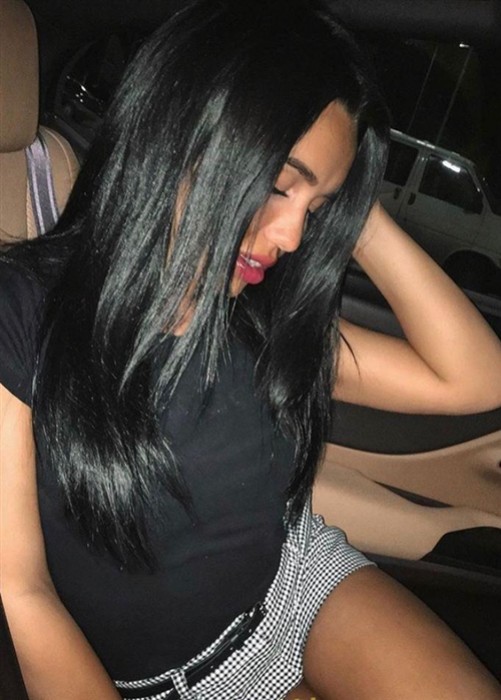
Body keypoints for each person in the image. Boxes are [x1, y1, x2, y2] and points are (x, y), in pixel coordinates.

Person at [1, 1, 501, 698]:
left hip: (301, 585)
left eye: (313, 211)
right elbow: (22, 590)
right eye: (274, 185)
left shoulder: (260, 313)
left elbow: (474, 380)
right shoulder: (22, 311)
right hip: (177, 683)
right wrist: (312, 184)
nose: (293, 237)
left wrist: (344, 200)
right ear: (183, 131)